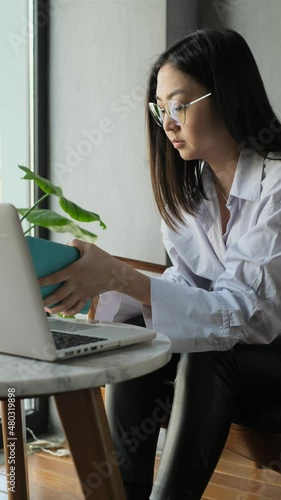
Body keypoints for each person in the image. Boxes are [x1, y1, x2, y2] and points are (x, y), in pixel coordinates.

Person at [40, 28, 281, 499]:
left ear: (227, 94)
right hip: (233, 352)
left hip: (269, 351)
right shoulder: (191, 195)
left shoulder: (277, 186)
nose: (167, 123)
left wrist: (121, 276)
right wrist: (104, 292)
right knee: (146, 341)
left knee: (207, 353)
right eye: (159, 109)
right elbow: (184, 288)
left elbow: (248, 317)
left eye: (179, 105)